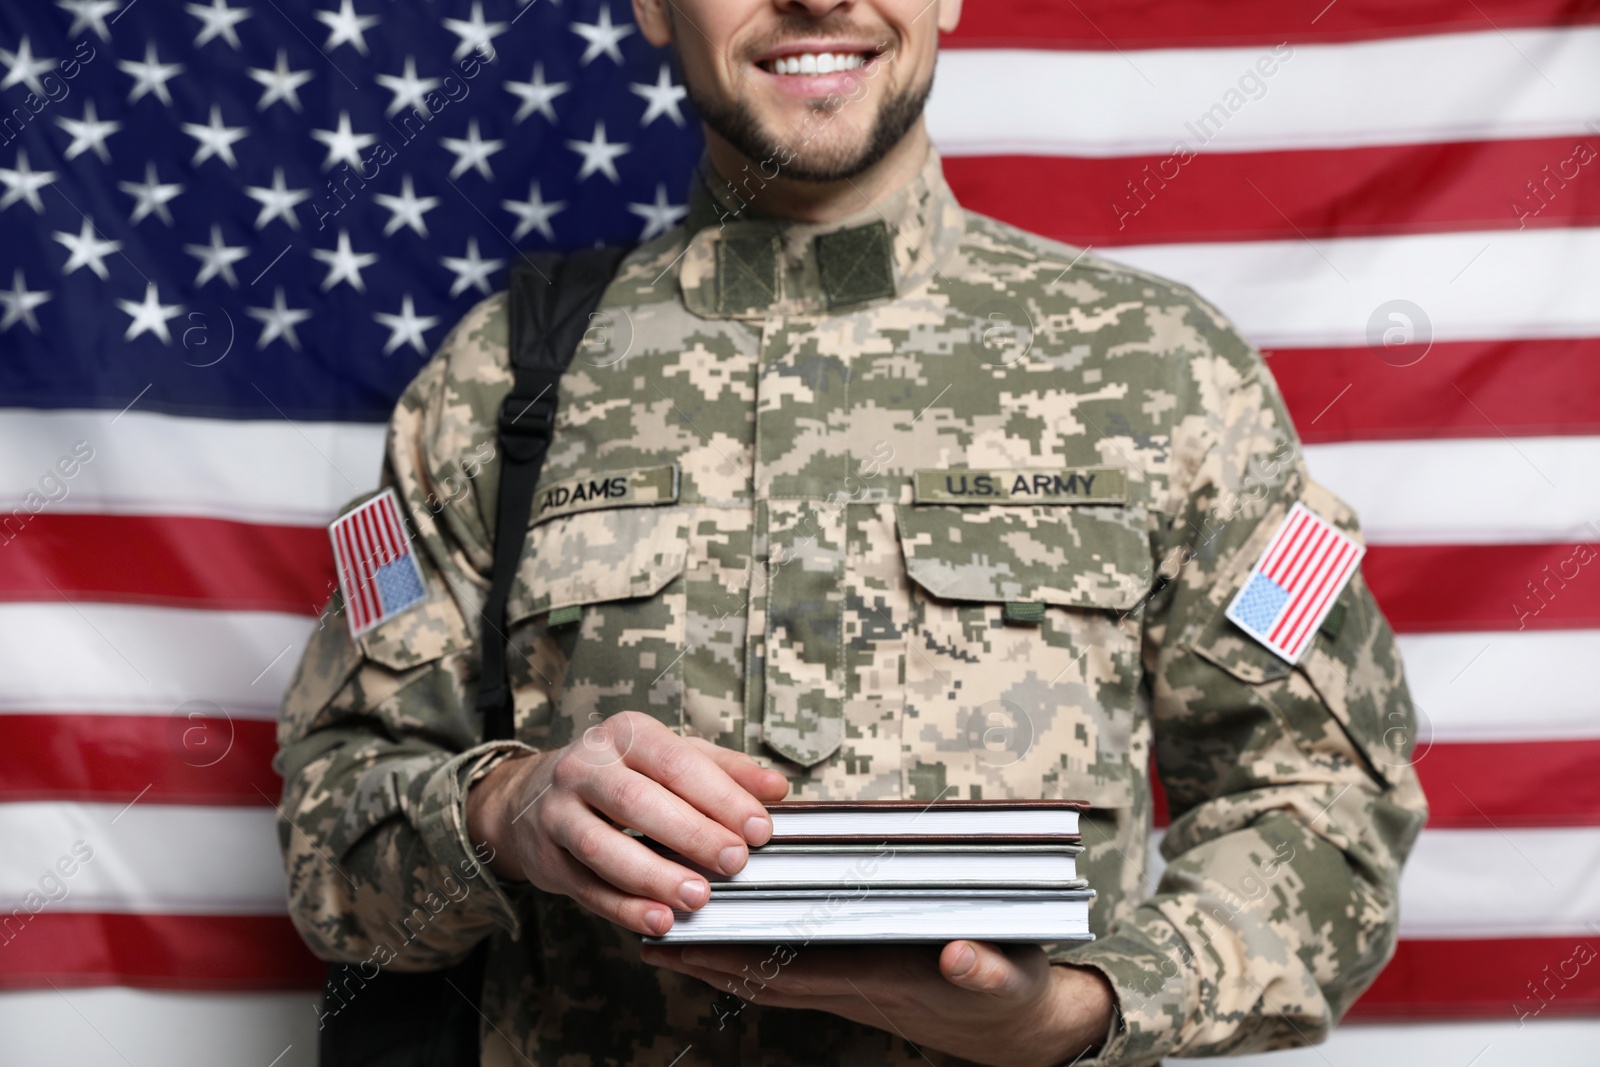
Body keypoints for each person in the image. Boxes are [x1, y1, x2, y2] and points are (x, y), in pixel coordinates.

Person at [275, 0, 1429, 1063]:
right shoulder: (495, 384)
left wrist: (1084, 1006)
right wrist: (505, 812)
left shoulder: (1166, 372)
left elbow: (1322, 799)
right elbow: (331, 831)